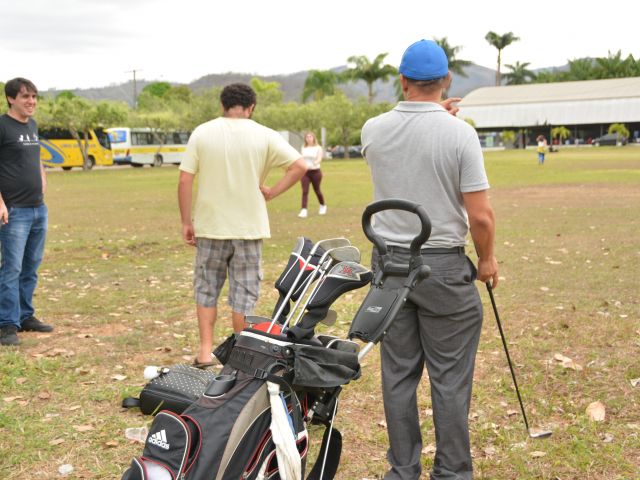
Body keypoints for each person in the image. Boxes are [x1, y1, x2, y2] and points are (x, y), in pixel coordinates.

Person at [361, 39, 499, 480]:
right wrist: (488, 261)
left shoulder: (372, 129)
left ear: (402, 81)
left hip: (389, 267)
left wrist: (440, 119)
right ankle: (452, 472)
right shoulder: (459, 133)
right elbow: (480, 215)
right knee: (450, 378)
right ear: (447, 81)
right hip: (441, 265)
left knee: (398, 374)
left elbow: (409, 147)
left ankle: (403, 470)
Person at [178, 83, 307, 368]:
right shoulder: (264, 135)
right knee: (244, 292)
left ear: (223, 105)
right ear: (251, 108)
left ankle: (204, 351)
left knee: (206, 287)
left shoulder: (203, 132)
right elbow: (300, 166)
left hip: (210, 225)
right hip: (249, 227)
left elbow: (185, 179)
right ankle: (238, 355)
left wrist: (187, 221)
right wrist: (272, 191)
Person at [0, 78, 53, 347]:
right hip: (14, 211)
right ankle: (6, 324)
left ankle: (25, 315)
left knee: (31, 267)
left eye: (34, 96)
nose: (31, 101)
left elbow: (36, 157)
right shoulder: (2, 126)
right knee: (12, 268)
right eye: (25, 97)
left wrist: (42, 177)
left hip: (37, 208)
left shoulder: (32, 125)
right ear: (11, 99)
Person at [297, 131, 327, 218]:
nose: (309, 138)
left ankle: (322, 205)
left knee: (317, 190)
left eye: (310, 137)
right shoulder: (303, 147)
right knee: (305, 191)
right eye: (307, 137)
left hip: (315, 172)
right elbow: (301, 158)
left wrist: (315, 162)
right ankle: (304, 210)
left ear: (313, 138)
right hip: (305, 172)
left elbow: (319, 158)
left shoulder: (318, 148)